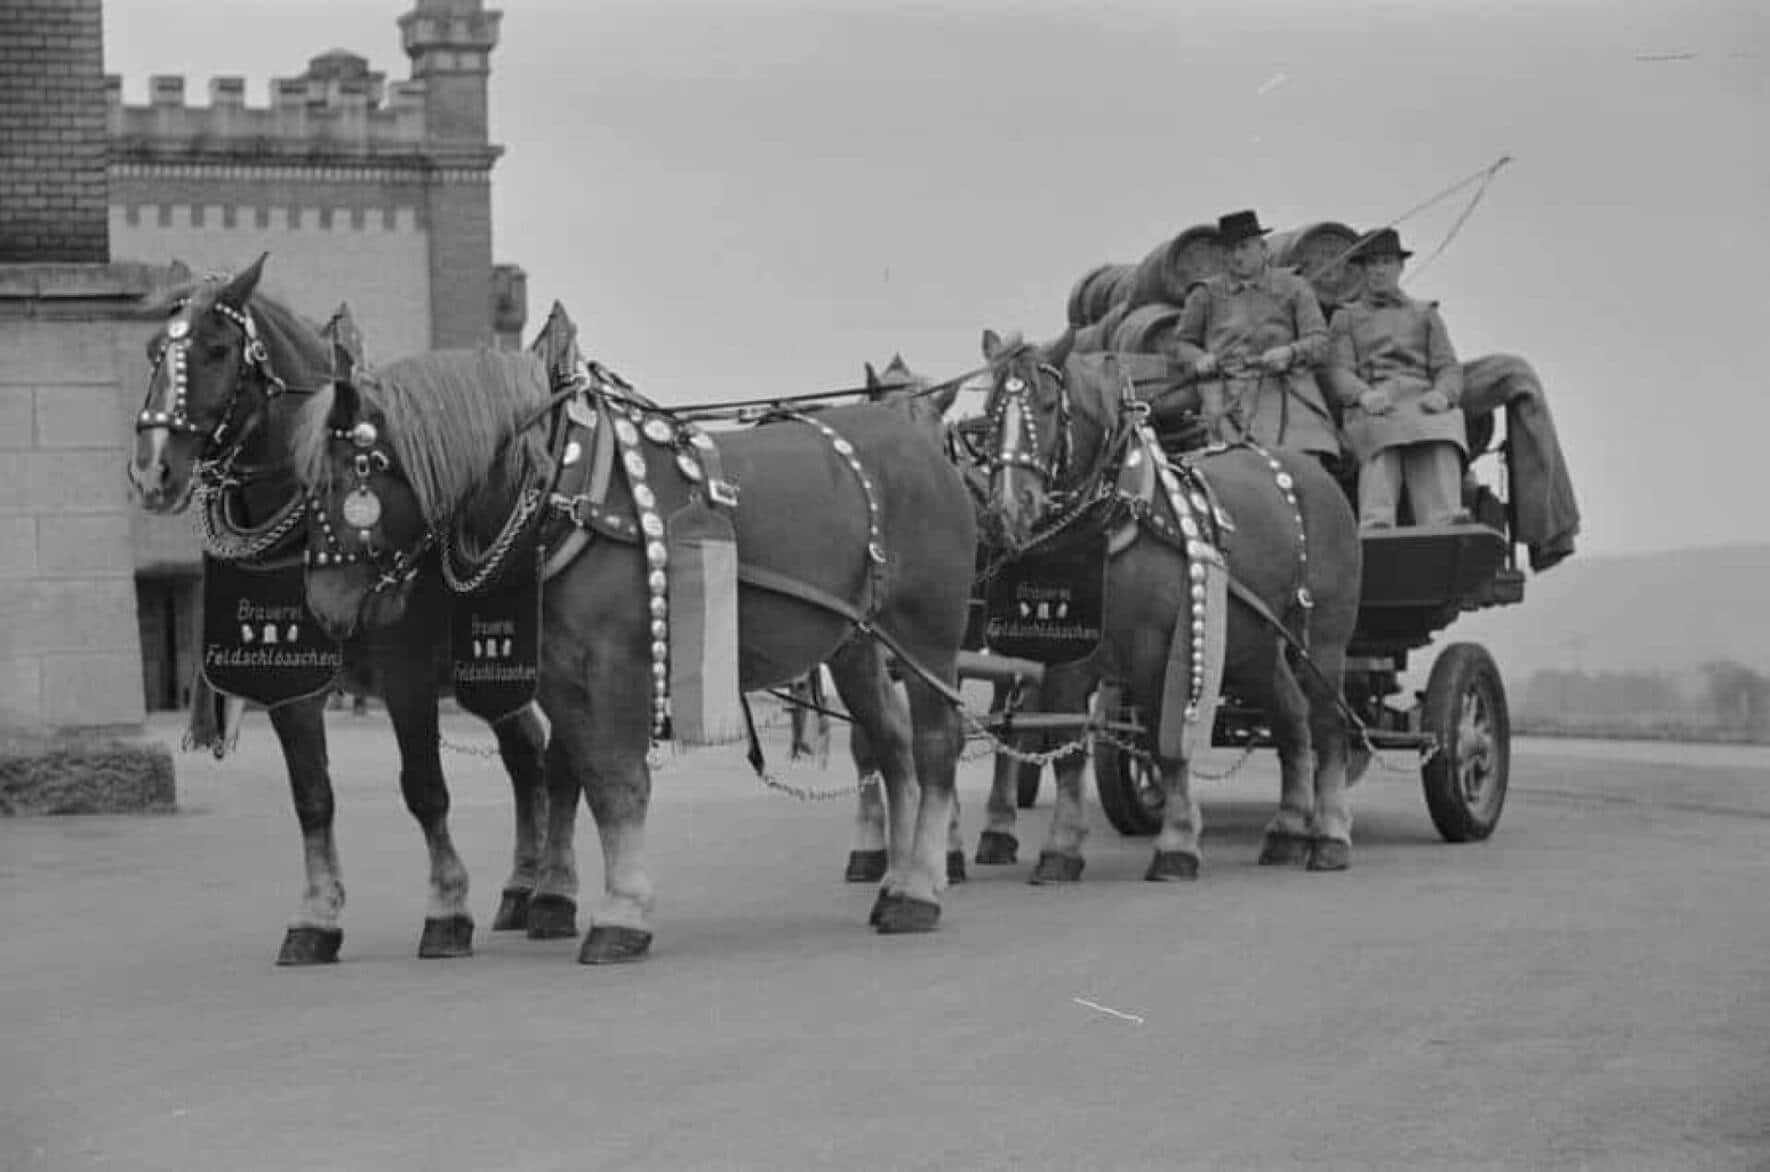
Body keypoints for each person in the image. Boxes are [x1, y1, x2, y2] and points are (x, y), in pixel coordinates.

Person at [1324, 228, 1470, 528]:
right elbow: (1338, 369)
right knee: (1381, 435)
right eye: (1372, 264)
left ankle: (1443, 519)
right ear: (1363, 271)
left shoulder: (1424, 313)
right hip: (1375, 401)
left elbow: (1448, 366)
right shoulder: (1346, 316)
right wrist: (1363, 394)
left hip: (1421, 398)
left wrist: (1443, 394)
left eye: (1386, 263)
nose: (1378, 271)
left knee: (1442, 427)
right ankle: (1377, 521)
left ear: (1400, 267)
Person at [1171, 209, 1343, 462]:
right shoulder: (1206, 294)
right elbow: (1181, 343)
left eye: (1243, 247)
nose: (1236, 256)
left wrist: (1291, 352)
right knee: (1231, 466)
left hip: (1289, 389)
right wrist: (1199, 358)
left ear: (1263, 248)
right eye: (1229, 250)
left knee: (1305, 464)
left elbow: (1319, 340)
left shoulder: (1295, 287)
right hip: (1230, 391)